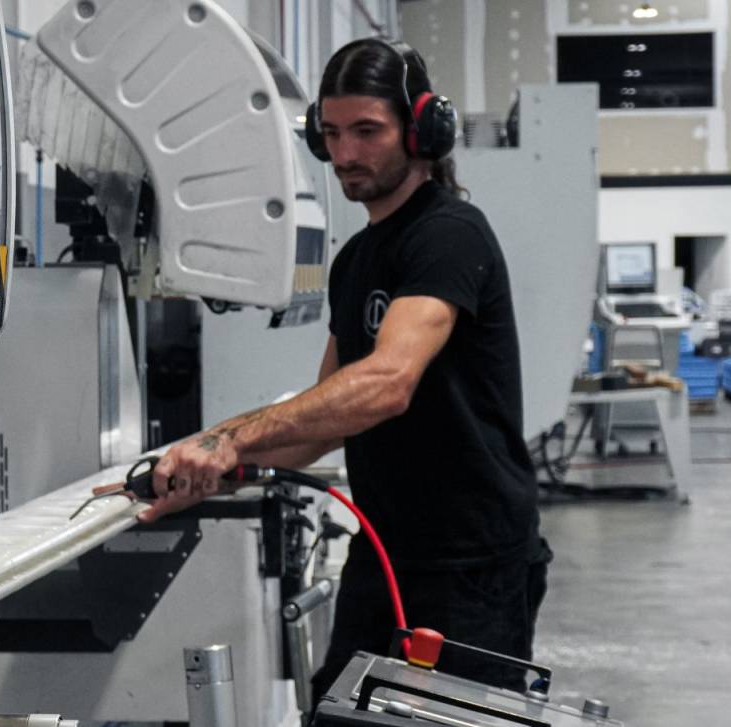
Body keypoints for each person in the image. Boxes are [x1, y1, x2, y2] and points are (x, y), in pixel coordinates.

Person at [103, 37, 550, 695]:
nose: (345, 154)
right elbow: (326, 420)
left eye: (367, 131)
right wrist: (209, 478)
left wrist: (226, 435)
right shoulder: (356, 260)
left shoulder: (449, 235)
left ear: (423, 131)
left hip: (471, 567)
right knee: (342, 707)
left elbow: (385, 383)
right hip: (386, 556)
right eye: (333, 134)